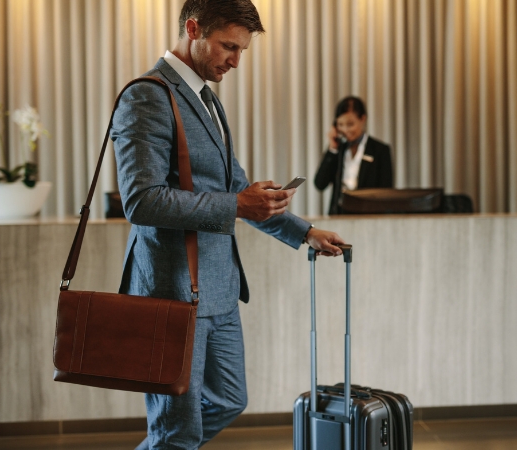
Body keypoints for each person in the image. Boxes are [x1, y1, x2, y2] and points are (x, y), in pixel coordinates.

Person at [110, 1, 345, 448]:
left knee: (229, 400)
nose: (236, 61)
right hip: (173, 290)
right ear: (193, 28)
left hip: (218, 288)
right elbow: (141, 201)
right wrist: (236, 204)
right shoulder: (148, 94)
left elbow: (233, 186)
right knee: (178, 429)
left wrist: (305, 232)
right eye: (229, 47)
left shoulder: (206, 98)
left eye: (242, 50)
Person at [313, 96, 394, 214]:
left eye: (350, 124)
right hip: (339, 215)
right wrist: (332, 149)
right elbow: (320, 184)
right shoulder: (338, 149)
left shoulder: (380, 150)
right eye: (340, 124)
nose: (345, 130)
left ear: (362, 119)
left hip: (369, 215)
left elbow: (386, 191)